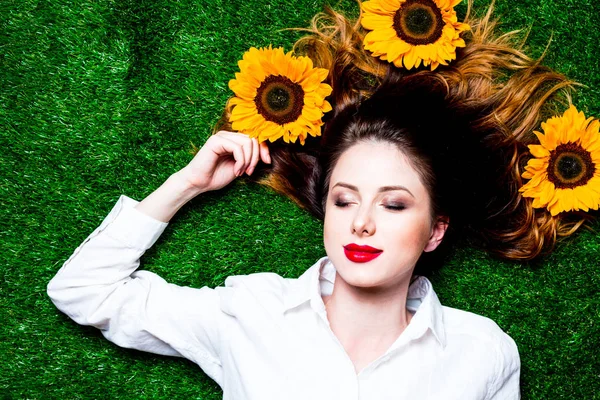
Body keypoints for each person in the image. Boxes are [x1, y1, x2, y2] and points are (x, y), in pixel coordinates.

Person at [47, 2, 583, 399]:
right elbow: (83, 290)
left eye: (393, 205)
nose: (362, 225)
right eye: (345, 201)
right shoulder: (250, 314)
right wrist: (186, 184)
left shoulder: (482, 352)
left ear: (436, 229)